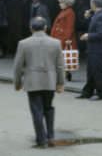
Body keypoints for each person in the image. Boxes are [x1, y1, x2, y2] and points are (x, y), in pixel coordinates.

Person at [13, 16, 65, 148]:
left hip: (32, 82)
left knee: (36, 110)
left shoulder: (23, 43)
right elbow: (60, 65)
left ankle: (41, 139)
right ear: (46, 28)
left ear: (31, 28)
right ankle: (51, 136)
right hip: (50, 81)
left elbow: (18, 66)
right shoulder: (56, 43)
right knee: (48, 108)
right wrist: (60, 83)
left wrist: (17, 83)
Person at [78, 0, 102, 100]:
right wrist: (88, 18)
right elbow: (93, 27)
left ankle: (101, 93)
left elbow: (101, 33)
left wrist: (88, 36)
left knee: (97, 71)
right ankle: (87, 92)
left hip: (98, 49)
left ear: (93, 4)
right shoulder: (96, 15)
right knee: (90, 70)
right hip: (92, 48)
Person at [51, 0, 78, 80]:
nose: (59, 4)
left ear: (66, 3)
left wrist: (67, 38)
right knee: (60, 57)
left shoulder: (70, 12)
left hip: (63, 38)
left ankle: (65, 74)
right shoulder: (64, 11)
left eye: (61, 3)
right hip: (59, 37)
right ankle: (64, 74)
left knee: (62, 57)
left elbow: (70, 27)